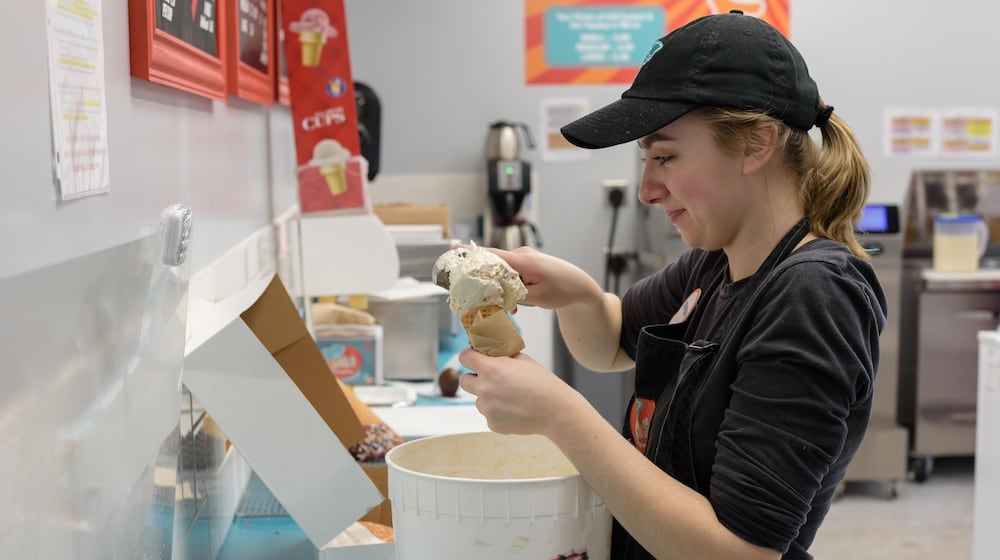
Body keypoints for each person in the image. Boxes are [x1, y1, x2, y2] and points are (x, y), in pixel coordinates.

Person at [458, 10, 886, 560]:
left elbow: (741, 551)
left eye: (665, 157)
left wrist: (562, 417)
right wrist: (580, 295)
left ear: (757, 144)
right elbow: (611, 343)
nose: (646, 190)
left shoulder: (813, 296)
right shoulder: (715, 261)